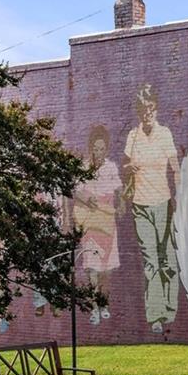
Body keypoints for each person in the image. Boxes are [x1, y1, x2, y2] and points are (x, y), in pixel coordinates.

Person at [121, 84, 181, 336]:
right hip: (140, 205)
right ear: (138, 111)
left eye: (151, 109)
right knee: (150, 261)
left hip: (163, 202)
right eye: (143, 109)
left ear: (156, 109)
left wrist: (178, 196)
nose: (147, 113)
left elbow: (175, 168)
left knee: (168, 258)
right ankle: (155, 315)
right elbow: (125, 166)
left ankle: (170, 307)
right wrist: (129, 168)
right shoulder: (133, 136)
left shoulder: (165, 133)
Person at [72, 124, 123, 326]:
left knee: (106, 271)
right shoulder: (84, 167)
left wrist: (120, 204)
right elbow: (76, 190)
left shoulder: (111, 167)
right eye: (96, 148)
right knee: (93, 268)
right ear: (90, 147)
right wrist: (86, 199)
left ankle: (104, 305)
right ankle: (94, 308)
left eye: (102, 148)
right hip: (91, 223)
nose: (99, 152)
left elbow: (118, 193)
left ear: (106, 149)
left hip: (107, 222)